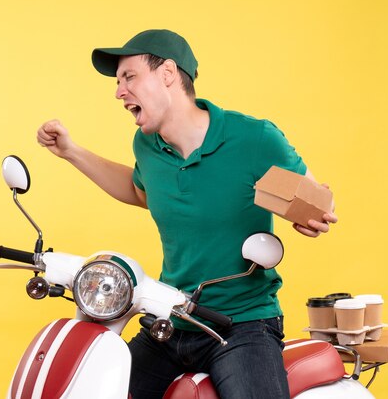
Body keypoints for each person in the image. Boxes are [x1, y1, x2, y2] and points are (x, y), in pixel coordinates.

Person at [36, 29, 337, 399]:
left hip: (242, 325)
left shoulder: (253, 138)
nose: (119, 92)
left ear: (167, 73)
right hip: (171, 318)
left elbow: (315, 201)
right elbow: (138, 191)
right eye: (117, 82)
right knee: (102, 388)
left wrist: (311, 214)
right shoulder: (147, 145)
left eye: (129, 77)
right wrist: (71, 151)